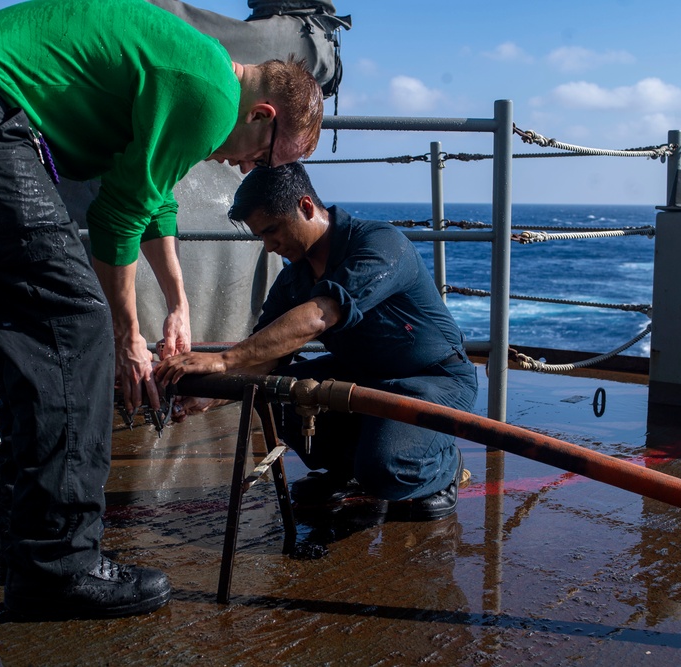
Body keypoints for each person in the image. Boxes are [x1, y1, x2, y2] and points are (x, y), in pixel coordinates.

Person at [0, 0, 323, 619]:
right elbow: (115, 216)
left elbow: (150, 201)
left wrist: (177, 306)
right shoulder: (209, 94)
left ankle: (26, 526)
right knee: (76, 332)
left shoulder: (200, 70)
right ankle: (60, 565)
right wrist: (129, 336)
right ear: (263, 116)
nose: (242, 169)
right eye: (263, 160)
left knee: (29, 343)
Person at [157, 162, 478, 521]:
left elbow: (322, 313)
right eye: (261, 236)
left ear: (306, 207)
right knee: (276, 391)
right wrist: (211, 392)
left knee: (388, 470)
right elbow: (267, 357)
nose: (269, 246)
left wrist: (223, 360)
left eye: (272, 230)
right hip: (360, 376)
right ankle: (351, 470)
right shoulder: (293, 279)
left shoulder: (379, 243)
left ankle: (442, 467)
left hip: (433, 379)